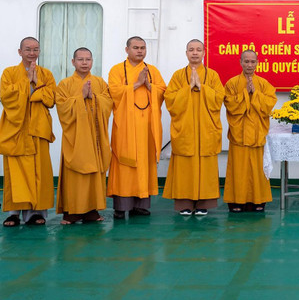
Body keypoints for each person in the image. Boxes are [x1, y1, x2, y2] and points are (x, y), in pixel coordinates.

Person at [0, 37, 56, 227]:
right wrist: (26, 84)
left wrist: (37, 84)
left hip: (38, 129)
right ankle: (13, 213)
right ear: (20, 52)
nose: (32, 53)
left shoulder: (46, 74)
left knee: (39, 172)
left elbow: (51, 99)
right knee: (16, 173)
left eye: (36, 49)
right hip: (16, 129)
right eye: (28, 49)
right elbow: (6, 97)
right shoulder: (9, 73)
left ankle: (35, 213)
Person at [163, 40, 225, 215]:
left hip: (206, 129)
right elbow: (170, 99)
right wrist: (188, 88)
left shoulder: (212, 75)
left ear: (204, 52)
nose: (195, 53)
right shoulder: (177, 75)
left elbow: (220, 98)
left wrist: (202, 88)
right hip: (185, 129)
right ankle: (185, 204)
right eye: (191, 50)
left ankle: (203, 203)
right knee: (184, 166)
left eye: (198, 50)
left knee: (206, 166)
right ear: (186, 53)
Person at [107, 36, 166, 219]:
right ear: (127, 50)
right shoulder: (117, 70)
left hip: (147, 127)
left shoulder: (152, 70)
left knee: (144, 164)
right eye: (136, 47)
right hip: (125, 126)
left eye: (142, 48)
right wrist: (136, 85)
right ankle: (121, 205)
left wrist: (149, 85)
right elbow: (113, 92)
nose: (140, 51)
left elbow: (163, 91)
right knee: (124, 163)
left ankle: (141, 205)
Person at [54, 48, 113, 224]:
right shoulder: (64, 84)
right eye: (80, 59)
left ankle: (91, 210)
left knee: (94, 173)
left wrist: (93, 97)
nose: (85, 62)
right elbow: (62, 108)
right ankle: (72, 211)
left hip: (94, 136)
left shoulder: (100, 82)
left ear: (92, 61)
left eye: (88, 59)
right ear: (73, 62)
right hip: (75, 137)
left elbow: (108, 103)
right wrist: (80, 98)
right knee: (74, 173)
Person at [224, 50, 278, 213]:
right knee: (238, 169)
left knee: (257, 168)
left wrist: (255, 93)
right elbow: (230, 105)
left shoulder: (263, 84)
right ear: (240, 62)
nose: (249, 65)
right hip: (238, 133)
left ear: (257, 63)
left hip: (257, 133)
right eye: (246, 61)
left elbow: (268, 106)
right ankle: (236, 201)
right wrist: (244, 93)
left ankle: (258, 200)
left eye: (252, 62)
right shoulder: (232, 83)